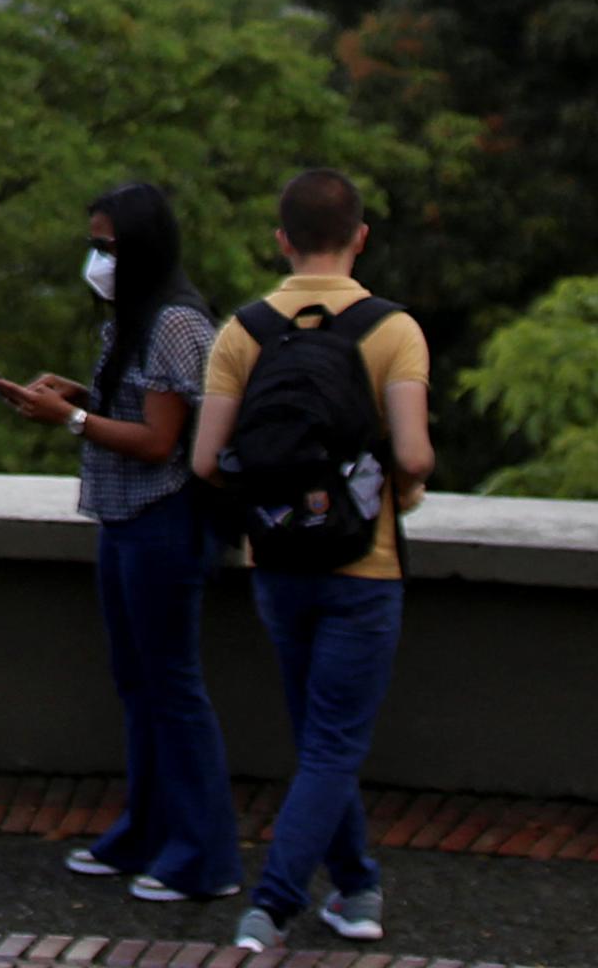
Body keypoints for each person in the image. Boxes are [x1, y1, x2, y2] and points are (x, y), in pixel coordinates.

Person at [191, 169, 433, 955]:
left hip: (279, 561)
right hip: (366, 566)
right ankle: (273, 905)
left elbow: (206, 461)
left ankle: (358, 888)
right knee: (332, 745)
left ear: (282, 240)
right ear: (361, 236)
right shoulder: (393, 330)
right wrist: (392, 483)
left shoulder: (243, 330)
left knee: (321, 741)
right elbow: (415, 453)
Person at [0, 183, 241, 906]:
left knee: (173, 685)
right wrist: (76, 396)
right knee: (137, 684)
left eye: (108, 246)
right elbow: (134, 406)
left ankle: (205, 857)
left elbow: (161, 441)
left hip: (163, 520)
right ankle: (145, 831)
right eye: (92, 244)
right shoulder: (128, 320)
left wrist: (70, 419)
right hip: (123, 518)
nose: (96, 259)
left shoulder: (173, 324)